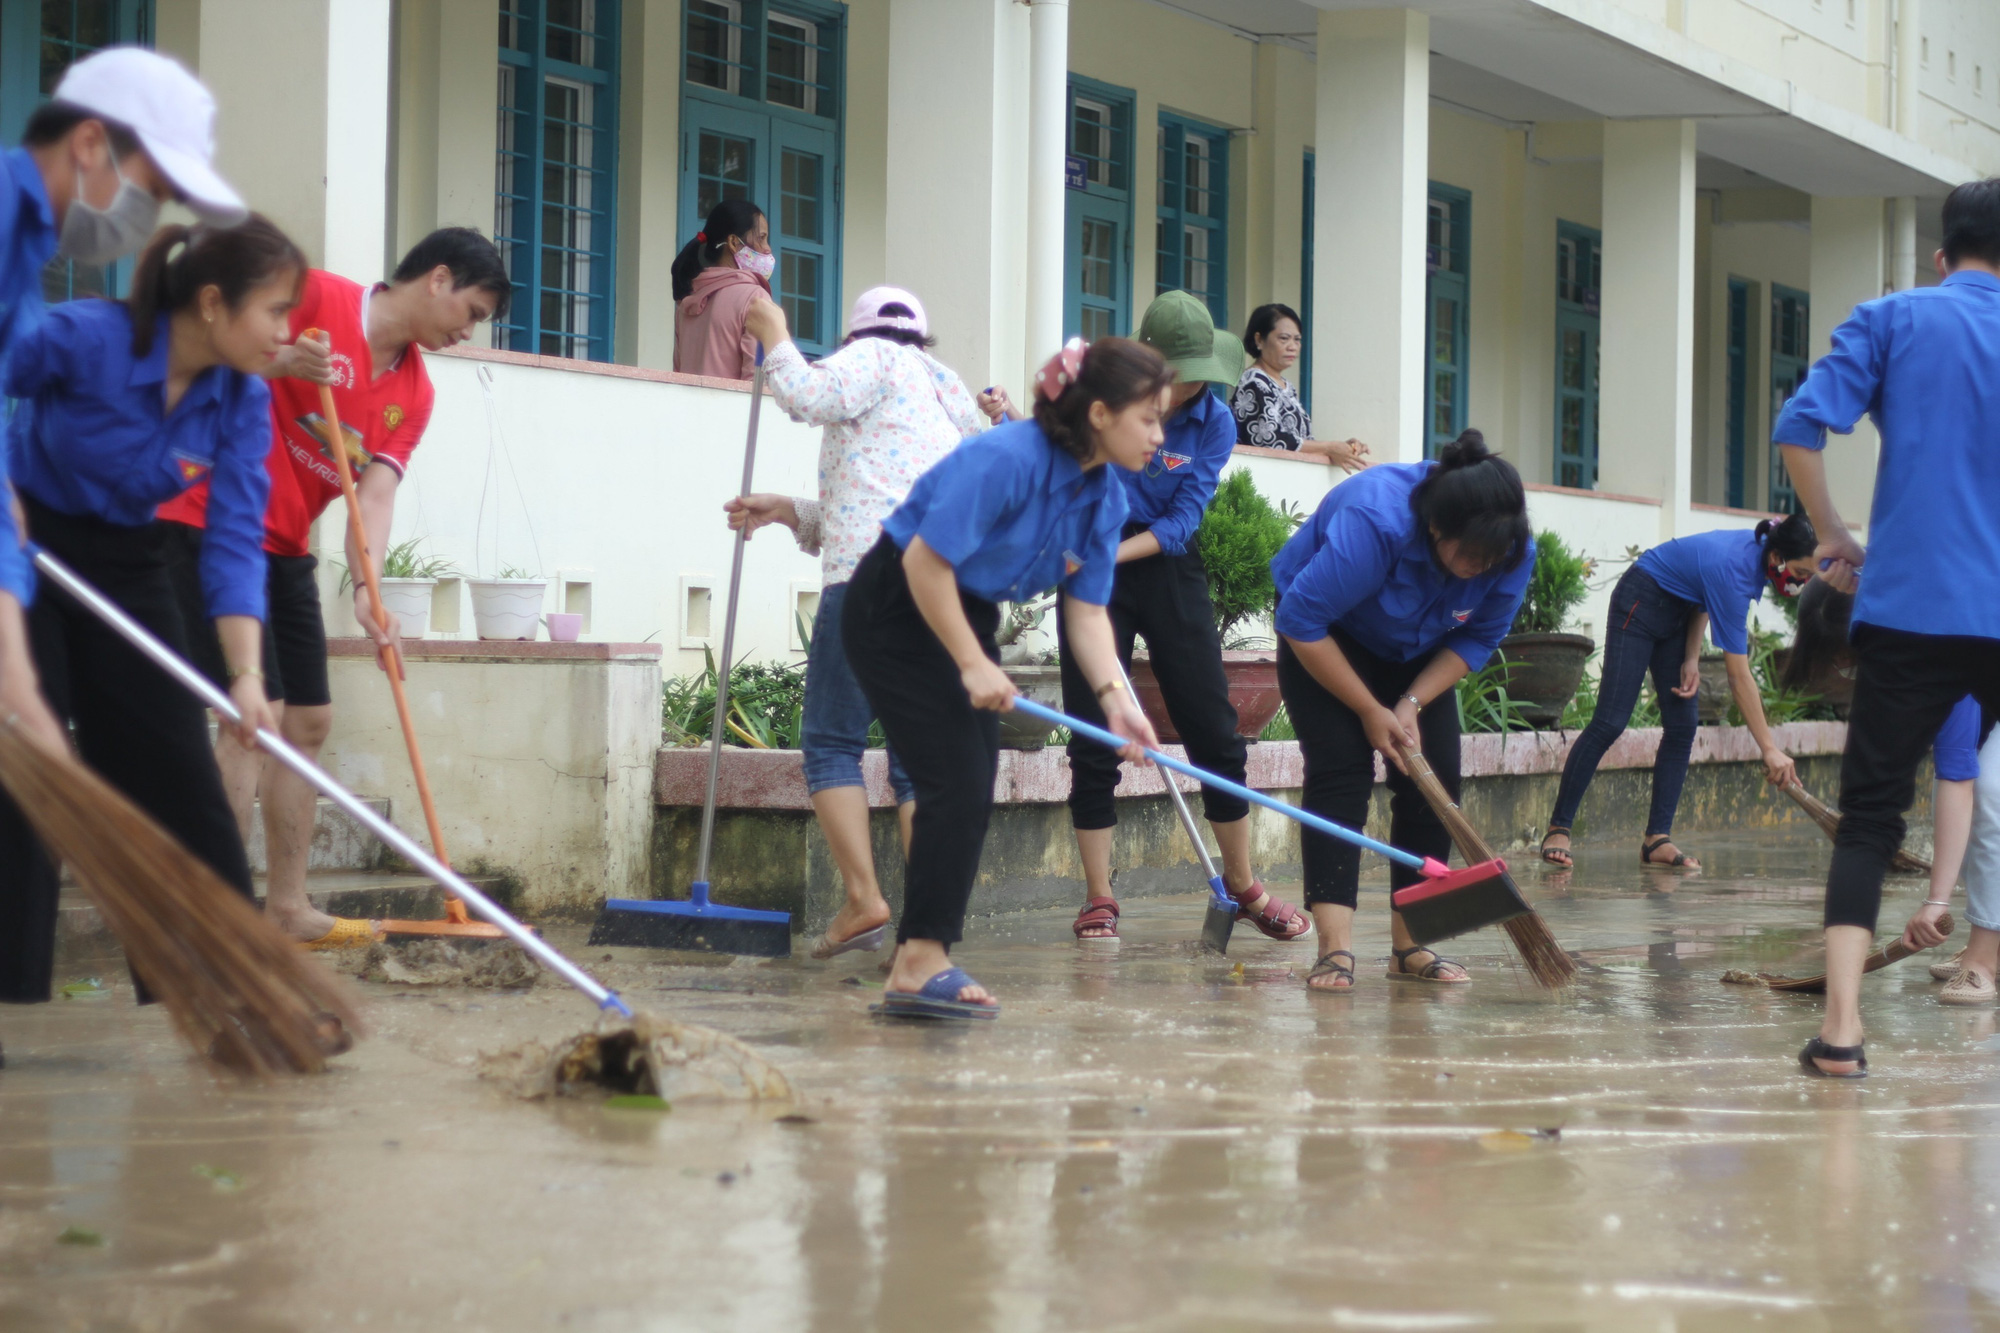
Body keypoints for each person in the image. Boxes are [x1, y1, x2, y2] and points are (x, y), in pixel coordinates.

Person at [155, 228, 509, 947]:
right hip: (212, 525)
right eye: (470, 311)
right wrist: (284, 357)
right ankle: (214, 907)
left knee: (308, 721)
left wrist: (367, 592)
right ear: (437, 279)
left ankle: (286, 905)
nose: (468, 332)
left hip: (285, 547)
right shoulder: (313, 296)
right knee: (253, 715)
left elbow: (371, 500)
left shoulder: (414, 391)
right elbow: (201, 343)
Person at [0, 216, 303, 1016]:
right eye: (275, 310)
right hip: (26, 543)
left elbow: (235, 543)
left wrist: (243, 677)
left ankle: (232, 994)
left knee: (179, 773)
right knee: (30, 771)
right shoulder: (84, 337)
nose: (288, 331)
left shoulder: (242, 398)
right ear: (212, 303)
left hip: (128, 563)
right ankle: (11, 1006)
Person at [843, 337, 1166, 1019]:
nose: (1159, 436)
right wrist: (970, 661)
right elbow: (925, 563)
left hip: (967, 609)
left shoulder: (1105, 497)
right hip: (896, 605)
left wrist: (1117, 700)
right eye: (1150, 418)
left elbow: (1086, 614)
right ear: (1101, 413)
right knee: (954, 773)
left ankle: (917, 957)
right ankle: (920, 959)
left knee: (967, 773)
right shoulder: (1006, 457)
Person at [1771, 178, 2000, 1077]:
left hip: (1911, 609)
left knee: (1869, 819)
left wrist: (1833, 534)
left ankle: (1841, 1032)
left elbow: (1801, 427)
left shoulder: (1896, 317)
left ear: (1941, 257)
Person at [0, 47, 251, 766]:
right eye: (150, 188)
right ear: (88, 144)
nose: (147, 218)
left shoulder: (23, 264)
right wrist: (16, 671)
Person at [722, 286, 986, 960]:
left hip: (868, 584)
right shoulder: (945, 387)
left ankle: (865, 897)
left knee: (831, 741)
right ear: (921, 337)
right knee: (913, 760)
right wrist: (789, 510)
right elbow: (871, 498)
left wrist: (774, 331)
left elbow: (806, 396)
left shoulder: (873, 358)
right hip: (938, 581)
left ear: (860, 335)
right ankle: (929, 933)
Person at [1040, 290, 1308, 944]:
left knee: (1215, 730)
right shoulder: (1104, 407)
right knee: (1093, 729)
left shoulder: (1213, 422)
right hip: (1092, 550)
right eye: (1178, 371)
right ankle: (1099, 896)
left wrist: (1111, 553)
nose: (1190, 387)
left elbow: (1183, 520)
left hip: (1163, 559)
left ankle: (1243, 885)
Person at [1271, 429, 1534, 992]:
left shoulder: (1511, 552)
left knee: (1432, 779)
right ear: (1437, 527)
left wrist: (1412, 701)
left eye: (1490, 561)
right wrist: (1369, 709)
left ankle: (1410, 945)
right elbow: (1300, 621)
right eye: (1467, 555)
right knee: (1341, 770)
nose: (1476, 569)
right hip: (1328, 636)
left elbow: (1477, 640)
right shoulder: (1377, 520)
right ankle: (1335, 950)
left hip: (1419, 652)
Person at [1539, 517, 1814, 872]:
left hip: (1677, 613)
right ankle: (1558, 828)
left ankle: (1657, 839)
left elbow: (1702, 594)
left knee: (1683, 726)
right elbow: (1738, 675)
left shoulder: (1755, 556)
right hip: (1640, 601)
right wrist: (1770, 749)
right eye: (1801, 571)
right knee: (1610, 720)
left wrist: (1691, 656)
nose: (1803, 581)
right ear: (1777, 557)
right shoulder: (1735, 569)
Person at [1788, 581, 1992, 1002]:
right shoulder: (1903, 637)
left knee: (1989, 792)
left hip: (1982, 642)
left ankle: (1984, 961)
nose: (1845, 669)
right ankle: (1987, 943)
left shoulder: (1938, 638)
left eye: (1847, 658)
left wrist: (1937, 902)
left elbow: (1958, 777)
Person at [1230, 303, 1370, 471]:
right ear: (1259, 339)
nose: (1292, 346)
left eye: (1297, 339)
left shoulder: (1287, 387)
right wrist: (1329, 447)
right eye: (1284, 338)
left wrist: (1343, 450)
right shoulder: (1254, 381)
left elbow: (1300, 441)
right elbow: (1270, 440)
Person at [672, 199, 772, 380]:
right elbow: (756, 381)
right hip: (731, 408)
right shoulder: (755, 298)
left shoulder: (687, 300)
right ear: (734, 242)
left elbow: (678, 372)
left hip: (688, 407)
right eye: (761, 238)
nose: (767, 248)